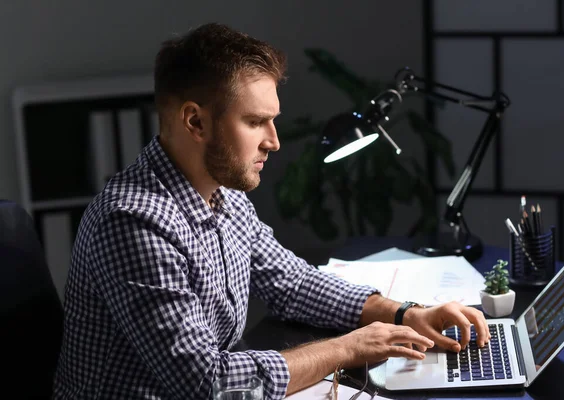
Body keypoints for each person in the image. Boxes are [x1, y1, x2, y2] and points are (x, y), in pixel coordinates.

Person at [52, 23, 490, 399]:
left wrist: (405, 314)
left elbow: (293, 283)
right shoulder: (134, 221)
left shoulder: (225, 193)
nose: (274, 141)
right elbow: (208, 383)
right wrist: (349, 348)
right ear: (195, 121)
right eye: (254, 121)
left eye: (273, 120)